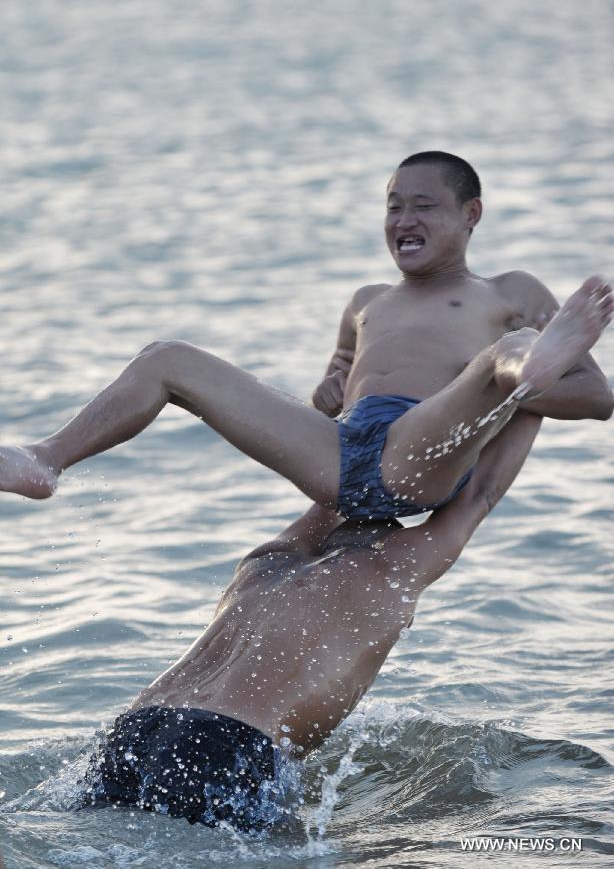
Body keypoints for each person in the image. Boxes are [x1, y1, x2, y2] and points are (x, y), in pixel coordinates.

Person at [0, 153, 611, 517]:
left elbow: (597, 397)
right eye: (393, 206)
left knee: (507, 357)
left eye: (423, 206)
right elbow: (339, 387)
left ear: (470, 214)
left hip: (423, 453)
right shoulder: (367, 301)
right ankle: (46, 460)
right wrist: (329, 392)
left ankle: (514, 369)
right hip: (342, 459)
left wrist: (511, 395)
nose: (403, 220)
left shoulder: (509, 291)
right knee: (168, 358)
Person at [81, 410, 541, 833]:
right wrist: (530, 400)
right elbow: (479, 494)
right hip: (227, 741)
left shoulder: (265, 562)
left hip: (135, 730)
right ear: (396, 539)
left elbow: (336, 487)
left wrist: (351, 410)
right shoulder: (390, 571)